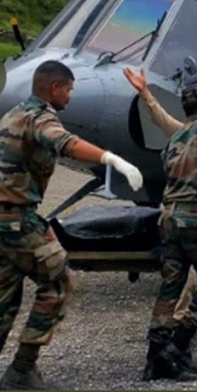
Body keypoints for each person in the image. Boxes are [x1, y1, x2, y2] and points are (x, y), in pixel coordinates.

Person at [0, 60, 143, 389]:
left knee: (5, 298)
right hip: (19, 220)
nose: (70, 95)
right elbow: (64, 142)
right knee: (59, 283)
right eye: (68, 89)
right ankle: (22, 369)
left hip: (5, 220)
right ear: (53, 88)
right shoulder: (40, 117)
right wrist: (110, 158)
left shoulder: (13, 114)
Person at [144, 80, 197, 382]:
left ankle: (154, 358)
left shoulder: (178, 134)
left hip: (168, 216)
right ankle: (177, 348)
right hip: (194, 217)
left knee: (171, 286)